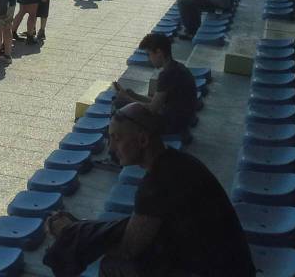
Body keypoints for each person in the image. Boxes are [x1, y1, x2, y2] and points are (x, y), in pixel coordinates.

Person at [43, 103, 255, 277]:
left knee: (113, 266)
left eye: (117, 138)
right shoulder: (177, 162)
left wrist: (70, 232)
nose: (111, 147)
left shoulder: (158, 183)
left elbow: (129, 248)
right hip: (230, 266)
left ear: (143, 140)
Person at [113, 34, 197, 138]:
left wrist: (126, 98)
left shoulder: (166, 75)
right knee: (130, 94)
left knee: (120, 104)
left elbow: (152, 108)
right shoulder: (178, 67)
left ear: (159, 53)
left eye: (149, 54)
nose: (149, 59)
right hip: (183, 120)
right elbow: (157, 102)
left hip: (172, 125)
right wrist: (134, 96)